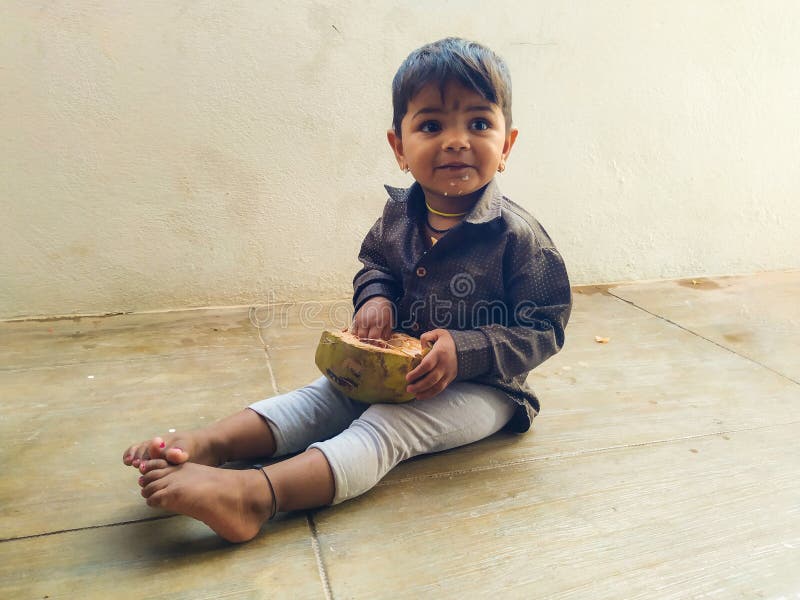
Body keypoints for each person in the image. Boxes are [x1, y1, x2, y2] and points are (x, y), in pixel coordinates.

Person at [122, 37, 572, 543]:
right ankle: (212, 442)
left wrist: (466, 351)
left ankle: (256, 496)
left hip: (487, 389)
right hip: (390, 364)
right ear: (399, 148)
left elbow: (545, 327)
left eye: (479, 123)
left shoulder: (519, 238)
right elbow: (375, 264)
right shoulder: (399, 216)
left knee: (387, 425)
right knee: (325, 395)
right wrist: (374, 298)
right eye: (430, 125)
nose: (455, 140)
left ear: (506, 145)